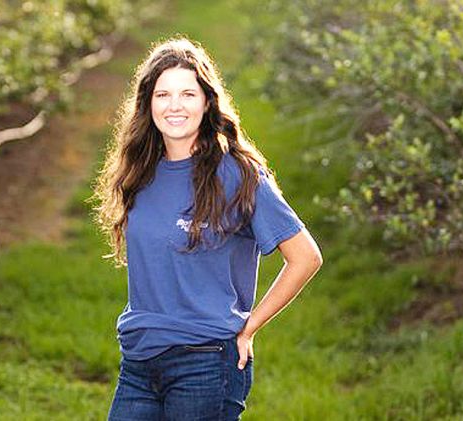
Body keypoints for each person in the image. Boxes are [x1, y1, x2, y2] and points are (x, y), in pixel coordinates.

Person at [91, 36, 323, 420]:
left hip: (206, 363)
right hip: (139, 361)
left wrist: (249, 327)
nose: (175, 106)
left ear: (207, 102)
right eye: (163, 95)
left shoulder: (238, 174)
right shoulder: (139, 171)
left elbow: (305, 257)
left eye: (188, 94)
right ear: (148, 103)